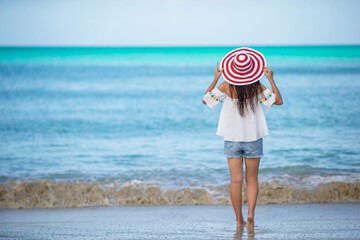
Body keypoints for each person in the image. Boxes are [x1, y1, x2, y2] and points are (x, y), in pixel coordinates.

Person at [202, 47, 283, 233]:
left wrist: (215, 77)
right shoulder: (257, 86)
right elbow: (278, 101)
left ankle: (238, 220)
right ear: (251, 70)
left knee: (236, 181)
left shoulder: (225, 86)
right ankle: (251, 216)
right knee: (252, 180)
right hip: (253, 138)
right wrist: (271, 78)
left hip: (232, 139)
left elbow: (206, 100)